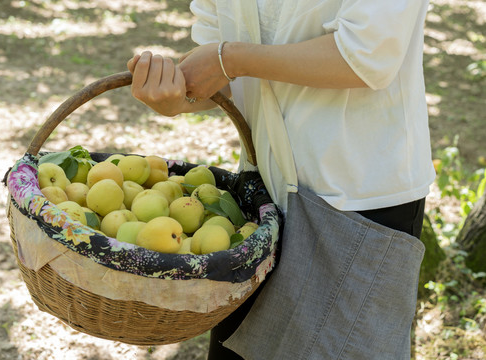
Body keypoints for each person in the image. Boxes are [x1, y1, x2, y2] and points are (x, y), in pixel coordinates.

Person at [127, 1, 436, 359]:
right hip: (261, 202)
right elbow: (219, 72)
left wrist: (231, 60)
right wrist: (180, 93)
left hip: (355, 199)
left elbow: (367, 54)